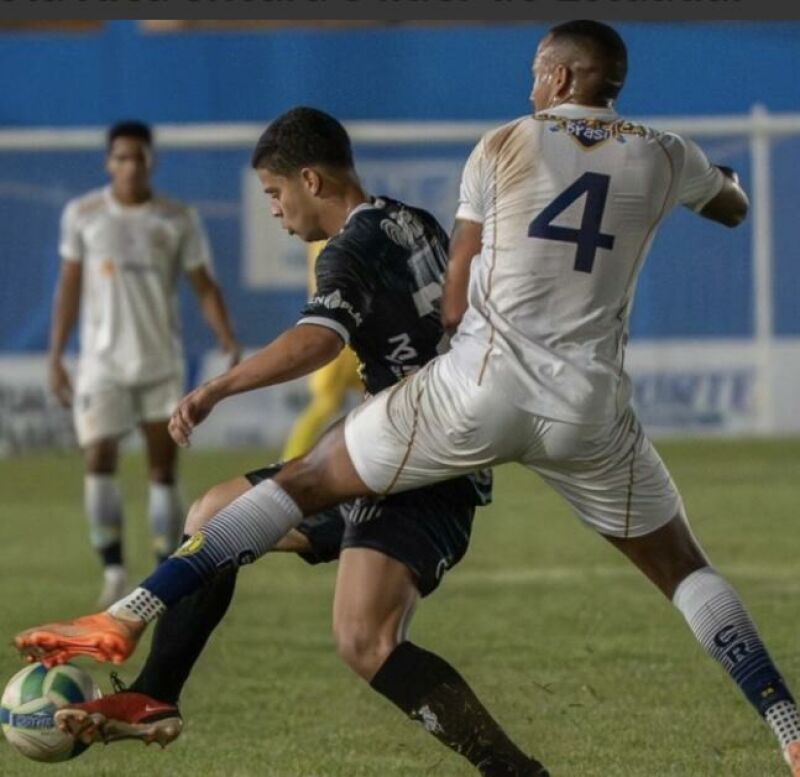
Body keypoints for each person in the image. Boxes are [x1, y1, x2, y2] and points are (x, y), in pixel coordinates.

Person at [17, 22, 800, 775]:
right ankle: (787, 722)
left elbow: (435, 298)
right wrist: (709, 182)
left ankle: (130, 613)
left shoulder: (494, 150)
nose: (530, 86)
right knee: (683, 568)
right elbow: (730, 204)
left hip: (459, 415)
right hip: (583, 407)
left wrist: (221, 385)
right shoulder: (658, 156)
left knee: (327, 553)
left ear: (561, 77)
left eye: (537, 71)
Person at [37, 110, 547, 777]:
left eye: (276, 195)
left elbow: (318, 339)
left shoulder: (350, 246)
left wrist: (218, 386)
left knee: (365, 640)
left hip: (423, 468)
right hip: (386, 453)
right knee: (213, 516)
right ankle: (155, 693)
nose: (275, 212)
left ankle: (515, 771)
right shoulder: (410, 219)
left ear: (311, 178)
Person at [47, 120, 240, 607]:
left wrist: (225, 336)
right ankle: (113, 569)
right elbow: (68, 286)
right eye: (121, 157)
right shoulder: (83, 214)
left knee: (162, 467)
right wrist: (56, 356)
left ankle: (160, 573)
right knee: (99, 458)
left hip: (158, 362)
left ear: (151, 161)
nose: (130, 165)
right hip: (100, 365)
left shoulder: (176, 218)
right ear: (108, 162)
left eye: (138, 157)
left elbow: (204, 284)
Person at [281, 240, 363, 460]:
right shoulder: (336, 234)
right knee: (326, 402)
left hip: (349, 331)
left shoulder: (330, 233)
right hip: (340, 335)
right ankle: (288, 464)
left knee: (379, 395)